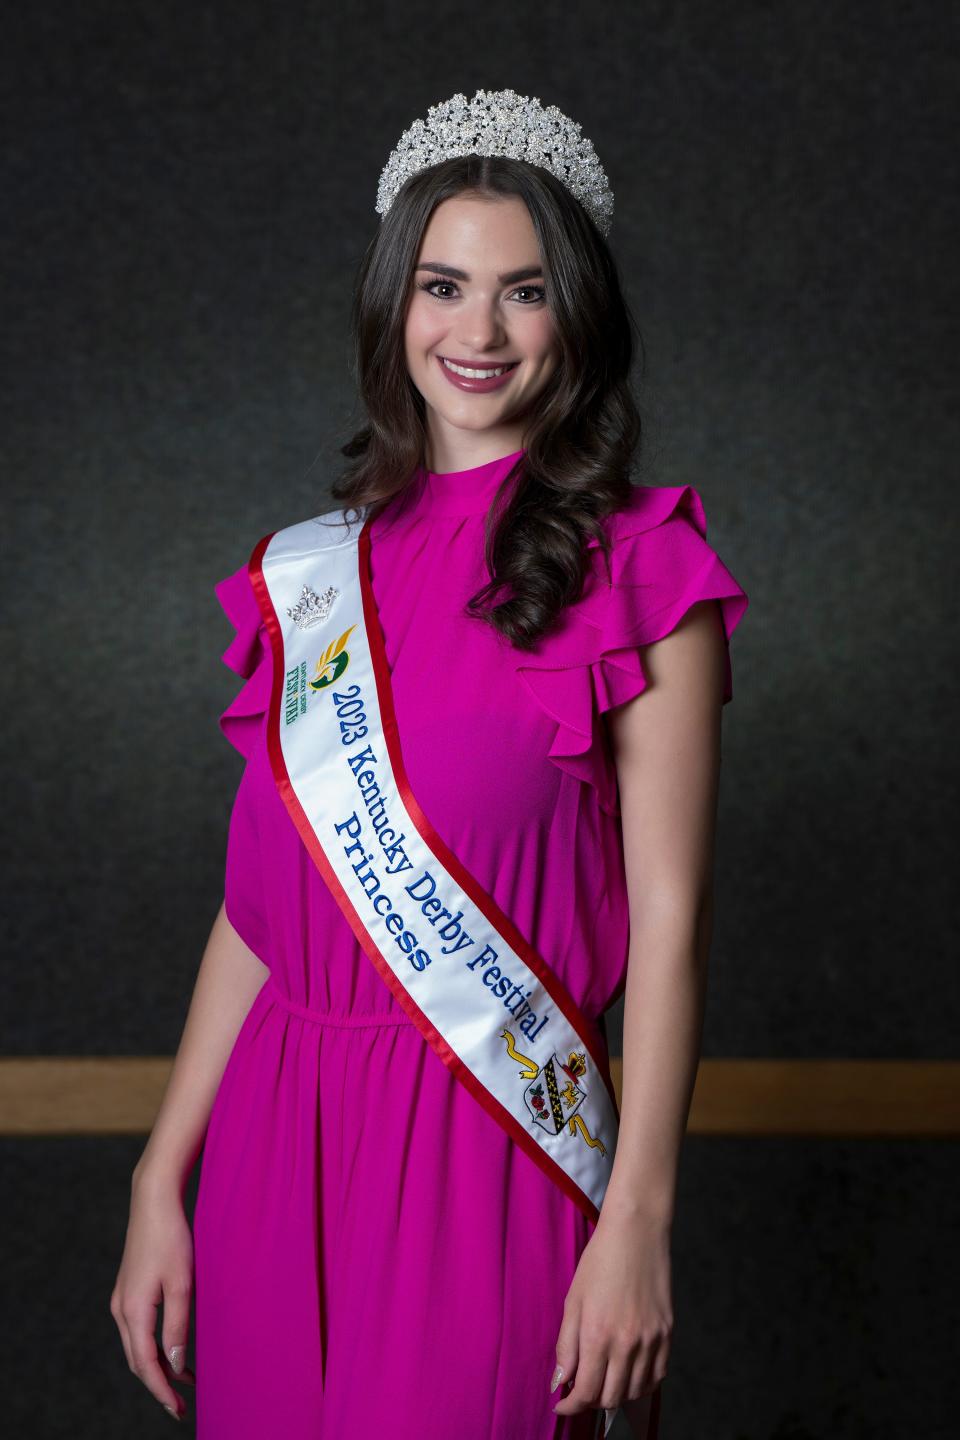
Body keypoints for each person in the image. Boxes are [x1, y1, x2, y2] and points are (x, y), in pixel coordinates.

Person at [110, 88, 749, 1439]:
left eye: (524, 292)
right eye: (445, 285)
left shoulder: (645, 568)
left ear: (575, 312)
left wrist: (638, 1221)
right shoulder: (309, 576)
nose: (478, 331)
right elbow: (261, 910)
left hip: (488, 1143)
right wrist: (161, 1176)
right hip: (275, 1142)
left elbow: (677, 925)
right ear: (394, 299)